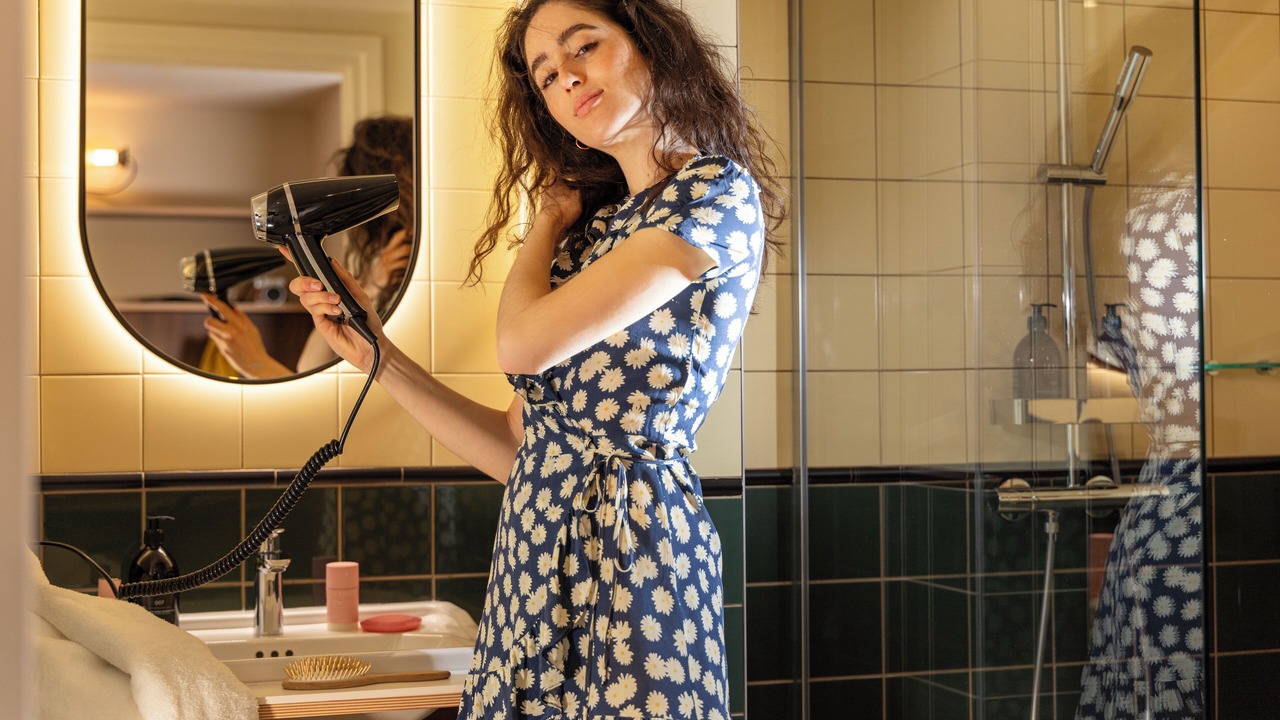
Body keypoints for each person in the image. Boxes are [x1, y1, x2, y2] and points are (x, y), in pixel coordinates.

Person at [287, 1, 785, 717]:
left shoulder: (711, 193)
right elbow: (521, 445)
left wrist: (544, 221)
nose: (568, 79)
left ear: (652, 48)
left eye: (585, 47)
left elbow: (520, 344)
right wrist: (377, 356)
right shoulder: (598, 236)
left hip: (634, 554)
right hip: (533, 553)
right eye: (547, 75)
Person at [201, 115, 415, 379]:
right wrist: (371, 284)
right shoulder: (383, 268)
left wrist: (257, 363)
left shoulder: (418, 271)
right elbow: (311, 368)